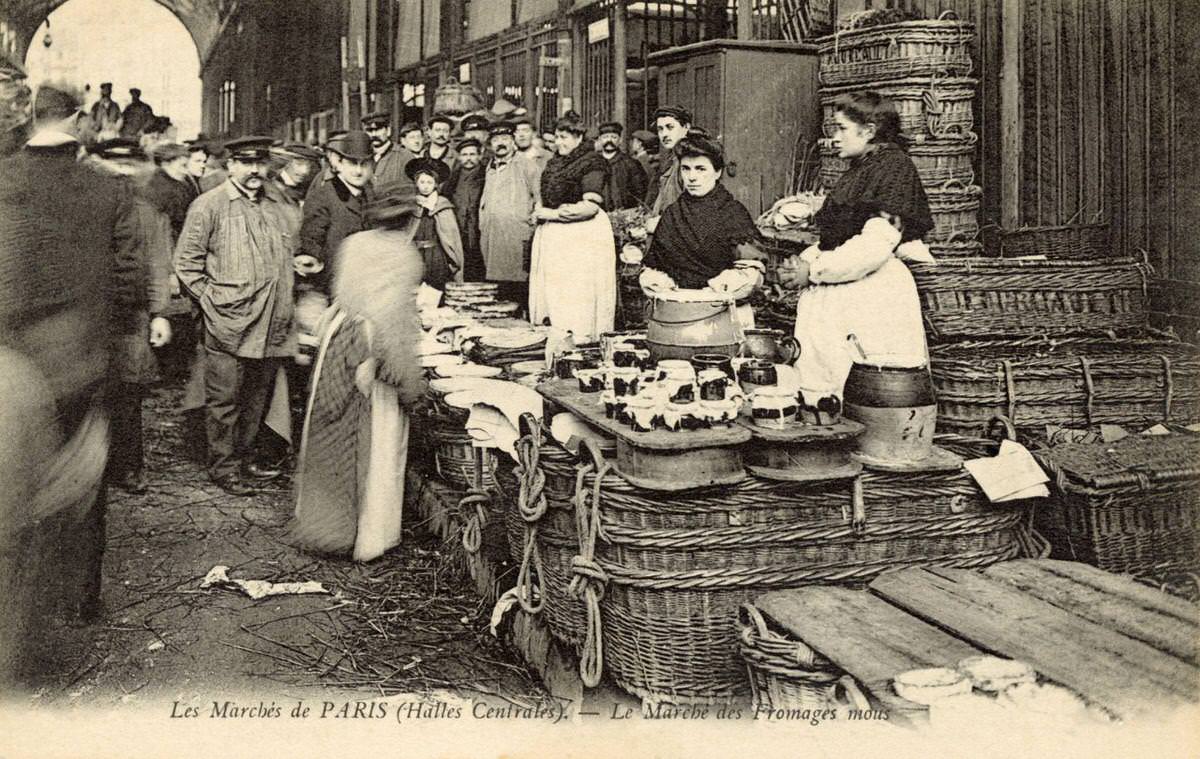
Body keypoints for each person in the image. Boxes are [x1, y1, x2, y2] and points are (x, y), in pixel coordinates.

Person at [0, 83, 140, 631]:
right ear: (80, 121)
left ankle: (15, 599)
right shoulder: (106, 189)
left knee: (12, 477)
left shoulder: (4, 179)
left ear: (33, 120)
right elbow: (127, 275)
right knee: (82, 481)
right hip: (83, 360)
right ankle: (78, 599)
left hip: (11, 361)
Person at [288, 187, 426, 562]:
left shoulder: (353, 244)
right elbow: (394, 325)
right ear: (409, 220)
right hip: (371, 350)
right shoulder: (405, 256)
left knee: (330, 429)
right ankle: (369, 536)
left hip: (339, 340)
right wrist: (408, 381)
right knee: (376, 438)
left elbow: (343, 296)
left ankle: (323, 525)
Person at [780, 91, 935, 395]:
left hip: (871, 295)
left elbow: (875, 245)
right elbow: (839, 236)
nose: (832, 138)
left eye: (841, 129)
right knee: (828, 387)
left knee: (868, 390)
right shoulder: (861, 169)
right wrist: (803, 263)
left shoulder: (893, 169)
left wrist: (813, 271)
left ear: (869, 131)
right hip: (842, 287)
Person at [174, 135, 300, 496]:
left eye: (260, 162)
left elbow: (279, 256)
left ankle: (243, 460)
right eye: (246, 162)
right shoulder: (208, 205)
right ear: (231, 166)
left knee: (255, 398)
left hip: (270, 321)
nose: (255, 170)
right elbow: (186, 265)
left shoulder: (273, 206)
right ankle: (223, 467)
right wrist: (211, 302)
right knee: (224, 400)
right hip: (228, 323)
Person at [86, 138, 175, 494]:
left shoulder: (149, 214)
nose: (122, 171)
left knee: (129, 392)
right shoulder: (84, 207)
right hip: (91, 315)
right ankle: (92, 469)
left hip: (132, 316)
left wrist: (160, 314)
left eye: (129, 164)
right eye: (114, 163)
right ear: (100, 165)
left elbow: (157, 264)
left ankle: (129, 467)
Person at [639, 134, 764, 325]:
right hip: (676, 313)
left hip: (723, 315)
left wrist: (713, 294)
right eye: (686, 169)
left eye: (700, 169)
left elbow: (751, 271)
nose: (692, 177)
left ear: (717, 172)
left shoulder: (732, 213)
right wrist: (662, 287)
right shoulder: (673, 214)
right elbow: (654, 266)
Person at [528, 111, 616, 342]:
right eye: (557, 137)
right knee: (557, 290)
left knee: (577, 290)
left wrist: (553, 213)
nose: (559, 142)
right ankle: (558, 340)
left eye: (564, 137)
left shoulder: (591, 162)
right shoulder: (555, 161)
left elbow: (590, 207)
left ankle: (580, 339)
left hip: (582, 235)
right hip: (556, 233)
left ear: (579, 137)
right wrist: (539, 209)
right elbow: (546, 192)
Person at [296, 130, 374, 294]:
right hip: (333, 289)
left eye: (364, 164)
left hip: (366, 287)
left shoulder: (371, 195)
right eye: (353, 163)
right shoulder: (323, 196)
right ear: (340, 163)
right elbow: (311, 247)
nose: (359, 171)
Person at [479, 121, 541, 307]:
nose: (501, 143)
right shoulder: (489, 168)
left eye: (505, 138)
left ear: (513, 141)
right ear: (490, 144)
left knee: (518, 286)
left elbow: (539, 197)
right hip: (492, 237)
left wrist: (533, 224)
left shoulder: (527, 165)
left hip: (517, 235)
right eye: (496, 139)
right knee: (496, 290)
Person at [406, 156, 464, 289]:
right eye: (422, 182)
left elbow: (451, 238)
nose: (425, 186)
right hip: (415, 255)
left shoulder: (443, 206)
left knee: (435, 289)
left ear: (436, 184)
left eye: (429, 182)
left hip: (436, 257)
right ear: (416, 183)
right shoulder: (411, 205)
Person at [445, 137, 486, 281]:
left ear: (480, 156)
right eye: (464, 154)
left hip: (479, 231)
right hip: (459, 230)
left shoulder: (487, 175)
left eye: (472, 154)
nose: (468, 158)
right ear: (459, 157)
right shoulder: (452, 178)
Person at [645, 105, 692, 214]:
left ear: (686, 127)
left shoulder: (690, 162)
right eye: (660, 129)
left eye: (670, 127)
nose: (664, 134)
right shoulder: (672, 160)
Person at [144, 141, 197, 239]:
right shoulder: (160, 188)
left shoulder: (180, 183)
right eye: (183, 166)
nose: (186, 171)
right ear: (165, 163)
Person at [595, 121, 648, 211]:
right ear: (600, 140)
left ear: (620, 140)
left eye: (614, 137)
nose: (609, 140)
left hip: (624, 215)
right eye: (605, 137)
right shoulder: (592, 163)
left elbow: (640, 193)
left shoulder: (631, 164)